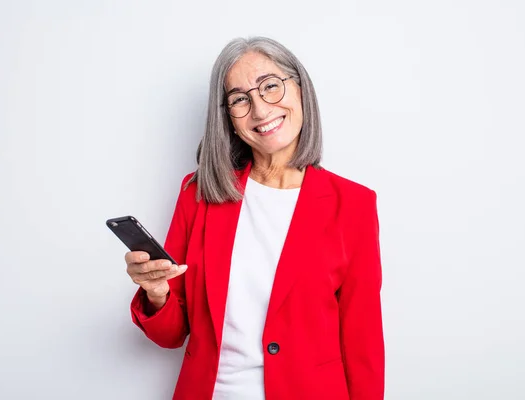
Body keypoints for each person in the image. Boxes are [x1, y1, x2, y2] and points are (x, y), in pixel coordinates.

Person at [124, 36, 384, 400]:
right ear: (227, 118)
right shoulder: (198, 193)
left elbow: (363, 342)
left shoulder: (353, 204)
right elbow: (170, 335)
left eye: (271, 87)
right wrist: (155, 292)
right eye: (240, 99)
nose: (260, 110)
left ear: (301, 90)